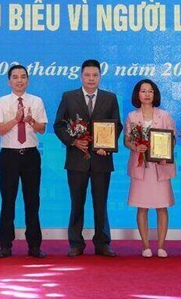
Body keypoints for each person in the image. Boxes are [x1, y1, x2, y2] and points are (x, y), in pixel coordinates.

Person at [53, 59, 122, 257]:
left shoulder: (110, 98)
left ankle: (102, 243)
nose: (91, 79)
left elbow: (116, 126)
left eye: (95, 75)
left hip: (102, 159)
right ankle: (76, 243)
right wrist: (73, 142)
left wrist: (106, 146)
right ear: (81, 76)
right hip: (76, 159)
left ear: (100, 77)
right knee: (77, 202)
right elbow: (59, 125)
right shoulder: (69, 97)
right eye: (87, 75)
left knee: (101, 203)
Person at [0, 64, 47, 258]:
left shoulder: (37, 101)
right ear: (9, 81)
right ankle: (5, 245)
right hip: (9, 155)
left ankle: (34, 245)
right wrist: (16, 120)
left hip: (31, 154)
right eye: (15, 77)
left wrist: (31, 121)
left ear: (28, 80)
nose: (19, 80)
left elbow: (42, 129)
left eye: (23, 77)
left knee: (33, 201)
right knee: (8, 201)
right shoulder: (0, 102)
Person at [123, 79, 176, 258]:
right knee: (142, 207)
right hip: (140, 166)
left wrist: (165, 155)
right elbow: (127, 140)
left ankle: (161, 246)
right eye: (143, 91)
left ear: (155, 95)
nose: (147, 94)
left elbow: (172, 139)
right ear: (137, 94)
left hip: (160, 167)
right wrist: (135, 147)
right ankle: (145, 246)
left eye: (150, 91)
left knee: (162, 207)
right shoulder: (132, 116)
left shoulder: (165, 115)